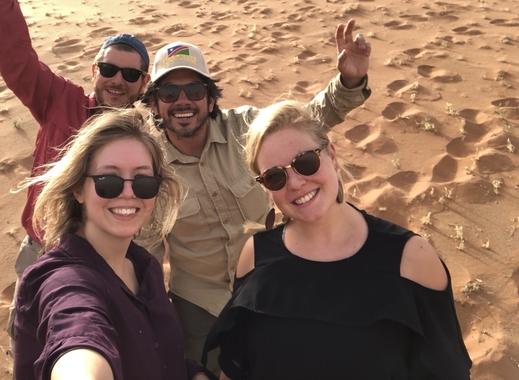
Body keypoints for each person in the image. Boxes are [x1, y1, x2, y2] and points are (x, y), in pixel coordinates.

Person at [137, 24, 372, 374]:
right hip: (201, 303)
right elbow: (146, 255)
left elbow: (306, 124)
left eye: (193, 89)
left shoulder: (246, 127)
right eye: (169, 92)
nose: (182, 101)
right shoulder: (148, 166)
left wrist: (347, 83)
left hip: (273, 280)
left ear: (210, 97)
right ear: (155, 103)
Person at [0, 0, 151, 351]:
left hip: (111, 257)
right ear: (94, 70)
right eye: (110, 69)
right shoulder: (59, 100)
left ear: (143, 83)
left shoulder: (146, 131)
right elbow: (14, 55)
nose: (118, 81)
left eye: (131, 75)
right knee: (29, 346)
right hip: (44, 249)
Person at [202, 100, 472, 379]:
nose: (295, 183)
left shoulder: (411, 259)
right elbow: (236, 367)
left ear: (331, 154)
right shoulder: (255, 257)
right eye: (275, 177)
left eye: (305, 162)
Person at [14, 108, 214, 380]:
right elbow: (77, 338)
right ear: (77, 189)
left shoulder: (145, 268)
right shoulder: (63, 280)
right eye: (108, 181)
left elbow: (160, 357)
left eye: (143, 182)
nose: (129, 193)